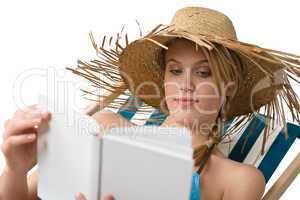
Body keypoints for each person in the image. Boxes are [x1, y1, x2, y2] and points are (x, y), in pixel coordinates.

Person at [1, 6, 300, 200]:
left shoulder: (238, 180)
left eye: (204, 72)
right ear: (164, 80)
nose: (186, 83)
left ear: (229, 88)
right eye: (175, 70)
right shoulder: (105, 127)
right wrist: (15, 168)